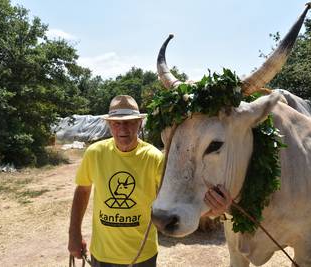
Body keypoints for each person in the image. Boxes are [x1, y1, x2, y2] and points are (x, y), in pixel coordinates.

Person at [68, 95, 231, 267]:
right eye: (117, 123)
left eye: (130, 122)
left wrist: (214, 210)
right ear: (109, 125)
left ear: (139, 123)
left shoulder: (155, 158)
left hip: (143, 256)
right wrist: (74, 234)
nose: (123, 128)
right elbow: (83, 190)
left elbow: (176, 201)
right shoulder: (95, 153)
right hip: (102, 255)